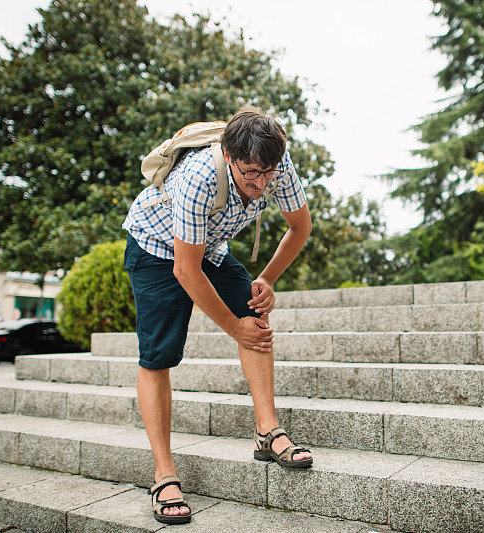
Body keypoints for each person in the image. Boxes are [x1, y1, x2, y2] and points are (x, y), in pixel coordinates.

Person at [122, 106, 313, 525]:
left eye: (268, 173)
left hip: (208, 247)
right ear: (230, 157)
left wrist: (265, 279)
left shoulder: (274, 160)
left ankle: (268, 432)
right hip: (157, 249)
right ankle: (164, 475)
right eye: (250, 174)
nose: (261, 184)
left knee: (256, 315)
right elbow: (184, 270)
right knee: (159, 356)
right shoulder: (199, 177)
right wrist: (234, 329)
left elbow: (300, 228)